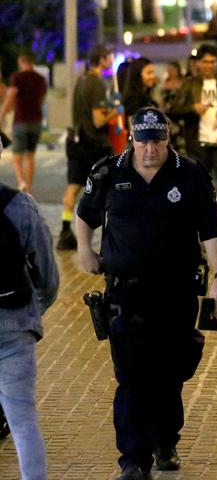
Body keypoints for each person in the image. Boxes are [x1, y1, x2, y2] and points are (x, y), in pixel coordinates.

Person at [76, 107, 217, 480]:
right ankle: (133, 460)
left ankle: (165, 441)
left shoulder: (190, 173)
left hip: (175, 292)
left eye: (158, 141)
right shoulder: (109, 172)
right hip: (125, 293)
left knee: (170, 372)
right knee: (131, 377)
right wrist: (84, 248)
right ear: (132, 139)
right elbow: (85, 213)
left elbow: (211, 229)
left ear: (167, 139)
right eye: (143, 141)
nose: (150, 149)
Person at [0, 134, 59, 480]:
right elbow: (48, 277)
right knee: (22, 421)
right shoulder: (20, 206)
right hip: (14, 327)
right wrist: (32, 309)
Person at [57, 44, 118, 251]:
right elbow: (99, 121)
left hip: (77, 142)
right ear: (101, 59)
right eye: (109, 57)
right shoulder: (97, 83)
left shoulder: (80, 81)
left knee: (73, 187)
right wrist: (115, 110)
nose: (111, 61)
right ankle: (110, 235)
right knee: (110, 187)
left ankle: (65, 230)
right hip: (96, 145)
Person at [170, 44, 217, 209]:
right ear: (198, 63)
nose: (209, 66)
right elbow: (174, 111)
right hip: (198, 146)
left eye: (212, 62)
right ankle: (202, 231)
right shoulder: (190, 84)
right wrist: (192, 109)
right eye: (205, 62)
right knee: (199, 193)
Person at [0, 51, 48, 194]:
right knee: (30, 156)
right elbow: (42, 99)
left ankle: (21, 182)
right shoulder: (40, 79)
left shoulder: (17, 77)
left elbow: (11, 96)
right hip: (36, 120)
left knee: (17, 156)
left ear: (21, 62)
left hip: (21, 120)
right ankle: (29, 188)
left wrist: (2, 115)